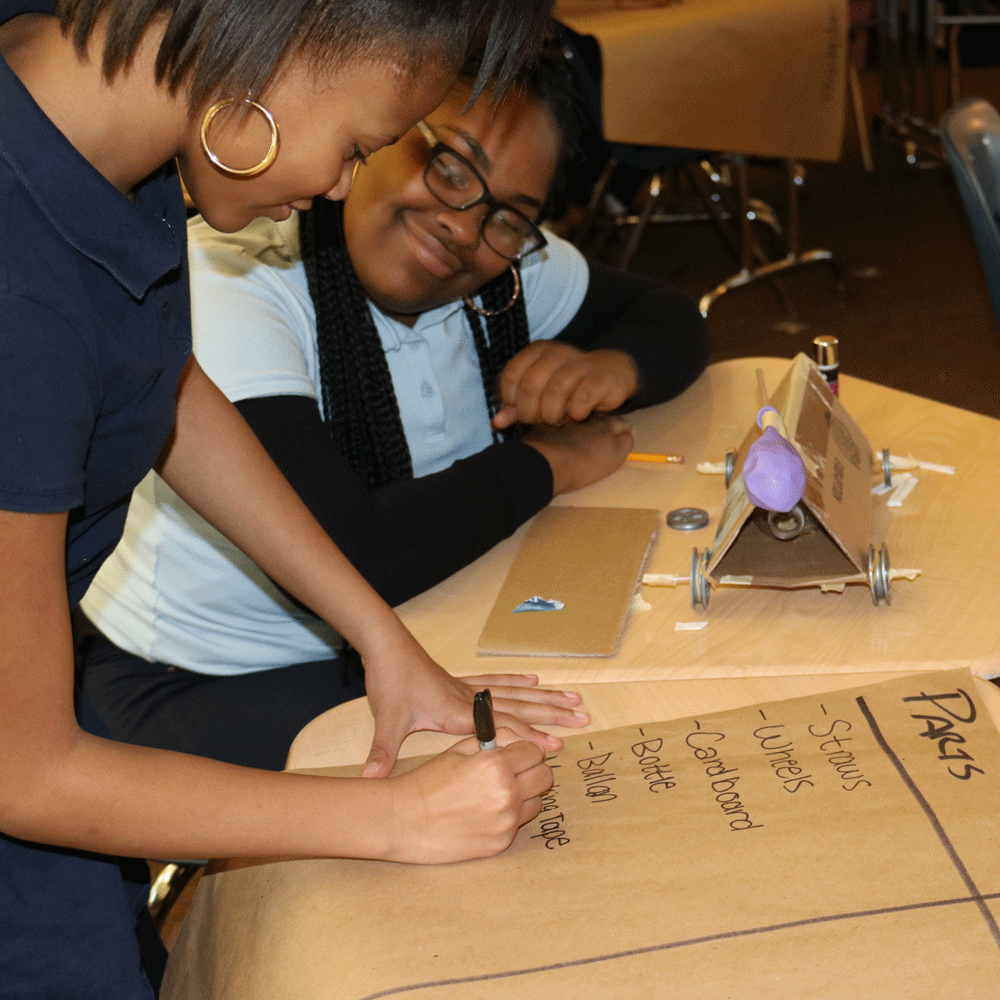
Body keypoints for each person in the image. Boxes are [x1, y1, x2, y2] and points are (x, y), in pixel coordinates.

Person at [0, 2, 573, 998]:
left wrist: (375, 633)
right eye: (356, 145)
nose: (337, 186)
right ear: (271, 52)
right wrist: (391, 819)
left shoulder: (95, 105)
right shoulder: (21, 291)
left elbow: (151, 376)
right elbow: (27, 769)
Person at [78, 42, 711, 772]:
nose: (466, 227)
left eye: (510, 216)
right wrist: (547, 462)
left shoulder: (505, 272)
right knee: (502, 774)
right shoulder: (236, 274)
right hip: (212, 673)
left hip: (429, 614)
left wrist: (606, 365)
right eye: (449, 169)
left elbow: (671, 317)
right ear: (377, 131)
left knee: (624, 708)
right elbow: (358, 553)